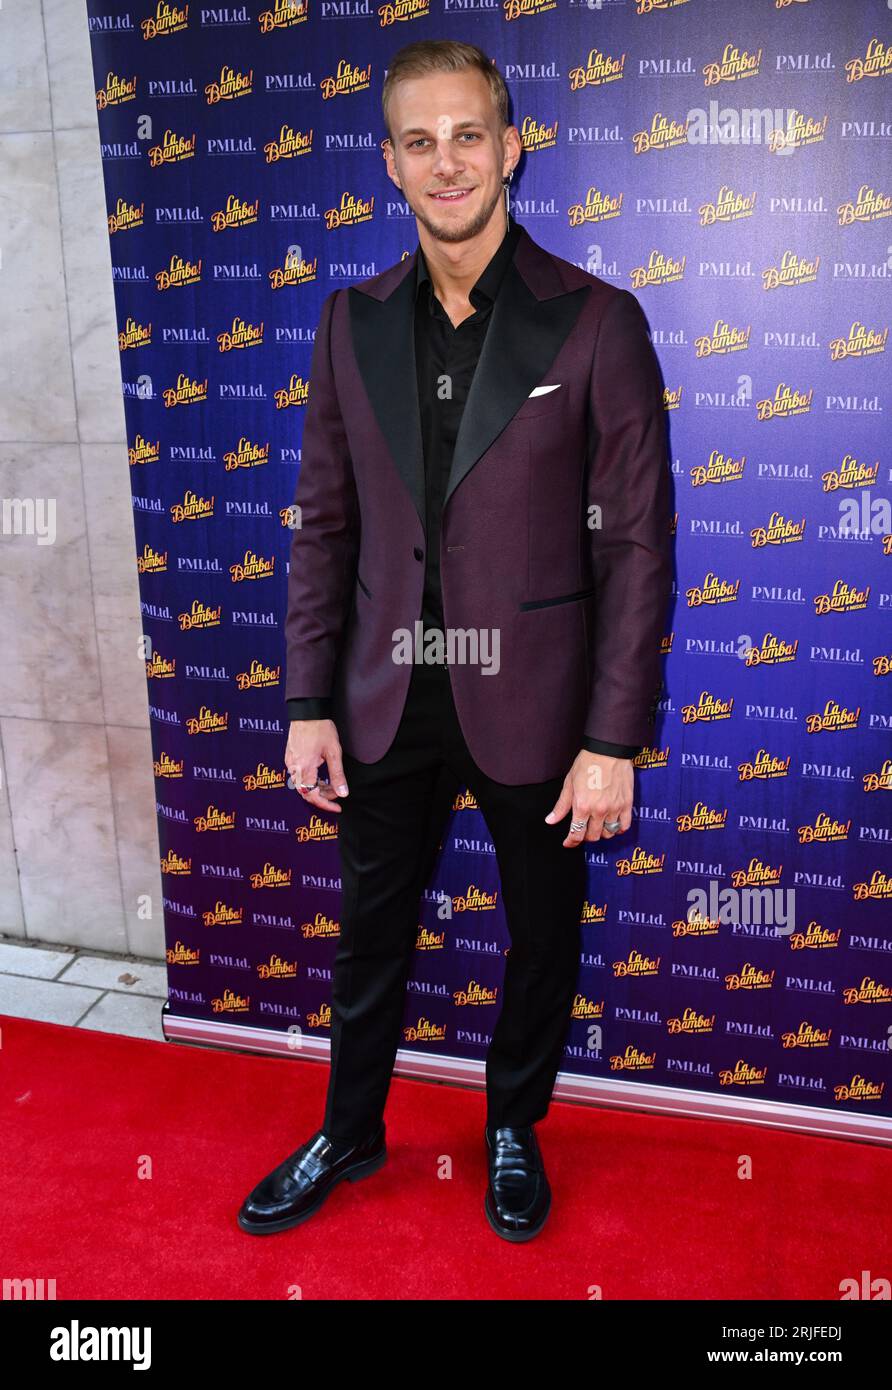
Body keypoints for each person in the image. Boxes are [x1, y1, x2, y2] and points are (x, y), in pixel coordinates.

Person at [238, 39, 672, 1243]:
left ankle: (510, 1124)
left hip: (536, 697)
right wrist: (306, 700)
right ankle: (351, 1123)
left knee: (541, 936)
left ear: (511, 145)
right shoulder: (349, 322)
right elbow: (324, 524)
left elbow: (633, 550)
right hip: (387, 694)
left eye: (467, 135)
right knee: (370, 930)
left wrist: (612, 738)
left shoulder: (595, 323)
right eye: (419, 142)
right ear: (388, 162)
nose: (446, 163)